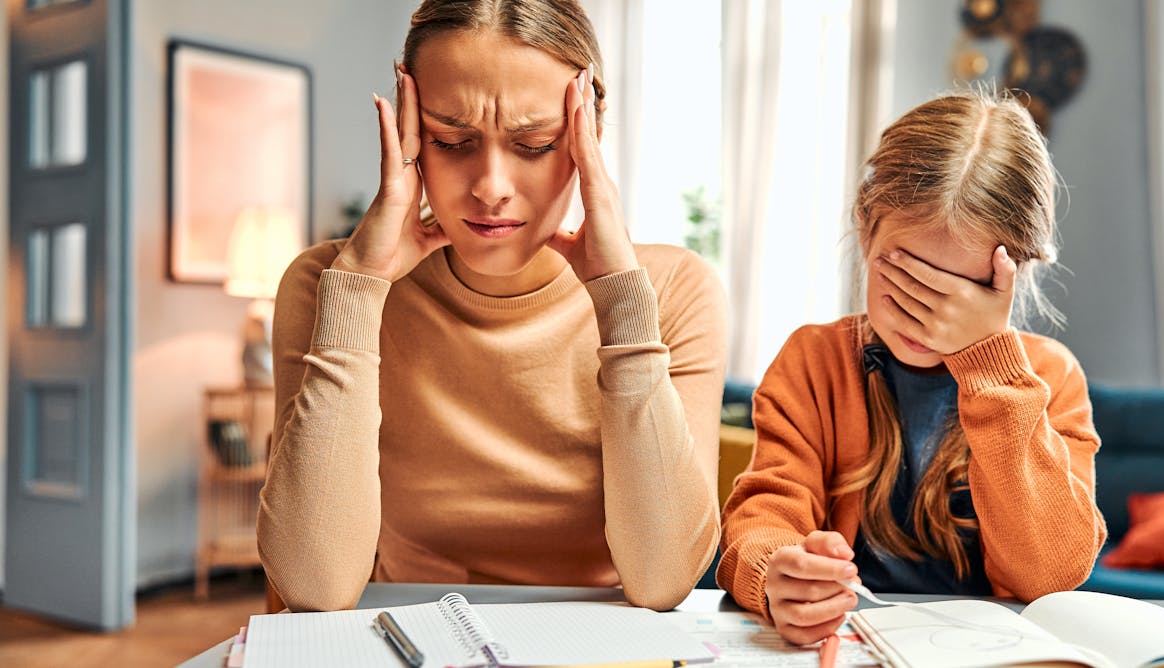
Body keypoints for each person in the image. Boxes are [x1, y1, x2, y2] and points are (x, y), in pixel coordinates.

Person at [258, 0, 727, 613]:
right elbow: (313, 587)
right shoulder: (328, 283)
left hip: (599, 647)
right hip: (411, 631)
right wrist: (358, 293)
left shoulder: (671, 289)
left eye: (534, 143)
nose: (490, 186)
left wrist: (620, 302)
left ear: (590, 137)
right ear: (409, 131)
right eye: (451, 140)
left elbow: (665, 579)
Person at [716, 91, 1107, 644]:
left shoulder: (1048, 378)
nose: (926, 319)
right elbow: (762, 517)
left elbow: (1049, 577)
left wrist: (988, 366)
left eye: (961, 292)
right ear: (865, 227)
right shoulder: (815, 361)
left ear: (1013, 271)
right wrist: (777, 572)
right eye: (903, 280)